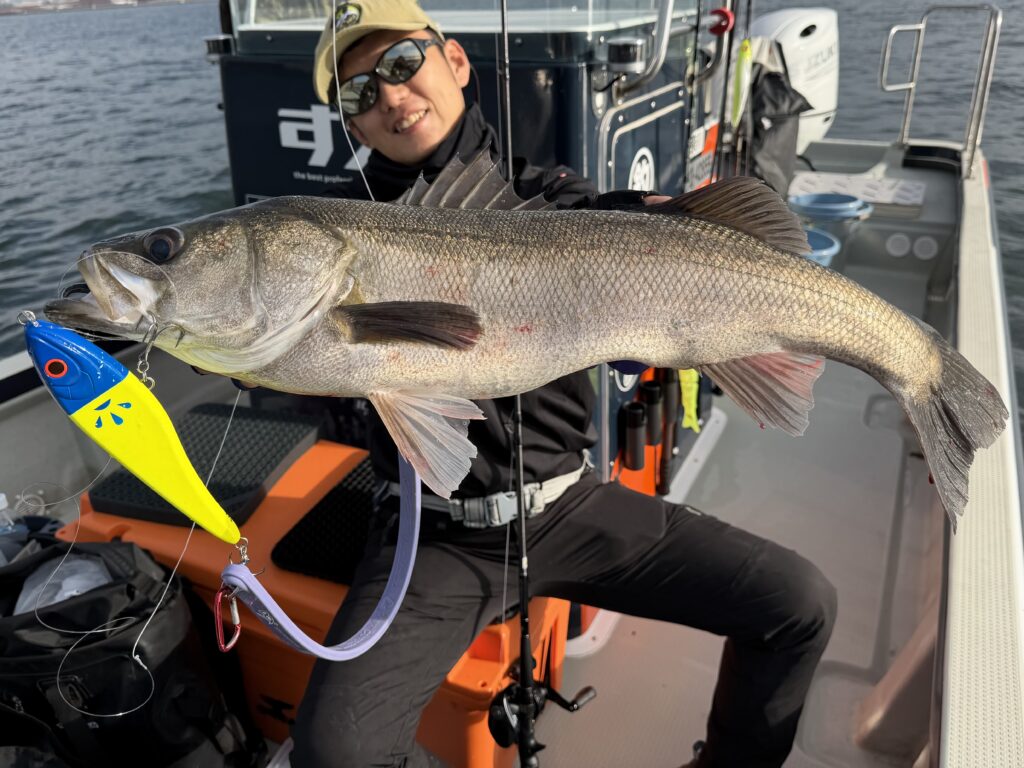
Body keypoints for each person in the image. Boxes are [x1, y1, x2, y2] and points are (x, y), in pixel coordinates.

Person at [291, 3, 837, 766]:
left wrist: (667, 261)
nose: (388, 95)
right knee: (331, 753)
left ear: (455, 61)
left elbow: (608, 221)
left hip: (570, 505)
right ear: (351, 122)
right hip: (435, 537)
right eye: (358, 93)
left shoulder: (551, 198)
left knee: (799, 603)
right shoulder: (328, 239)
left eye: (402, 64)